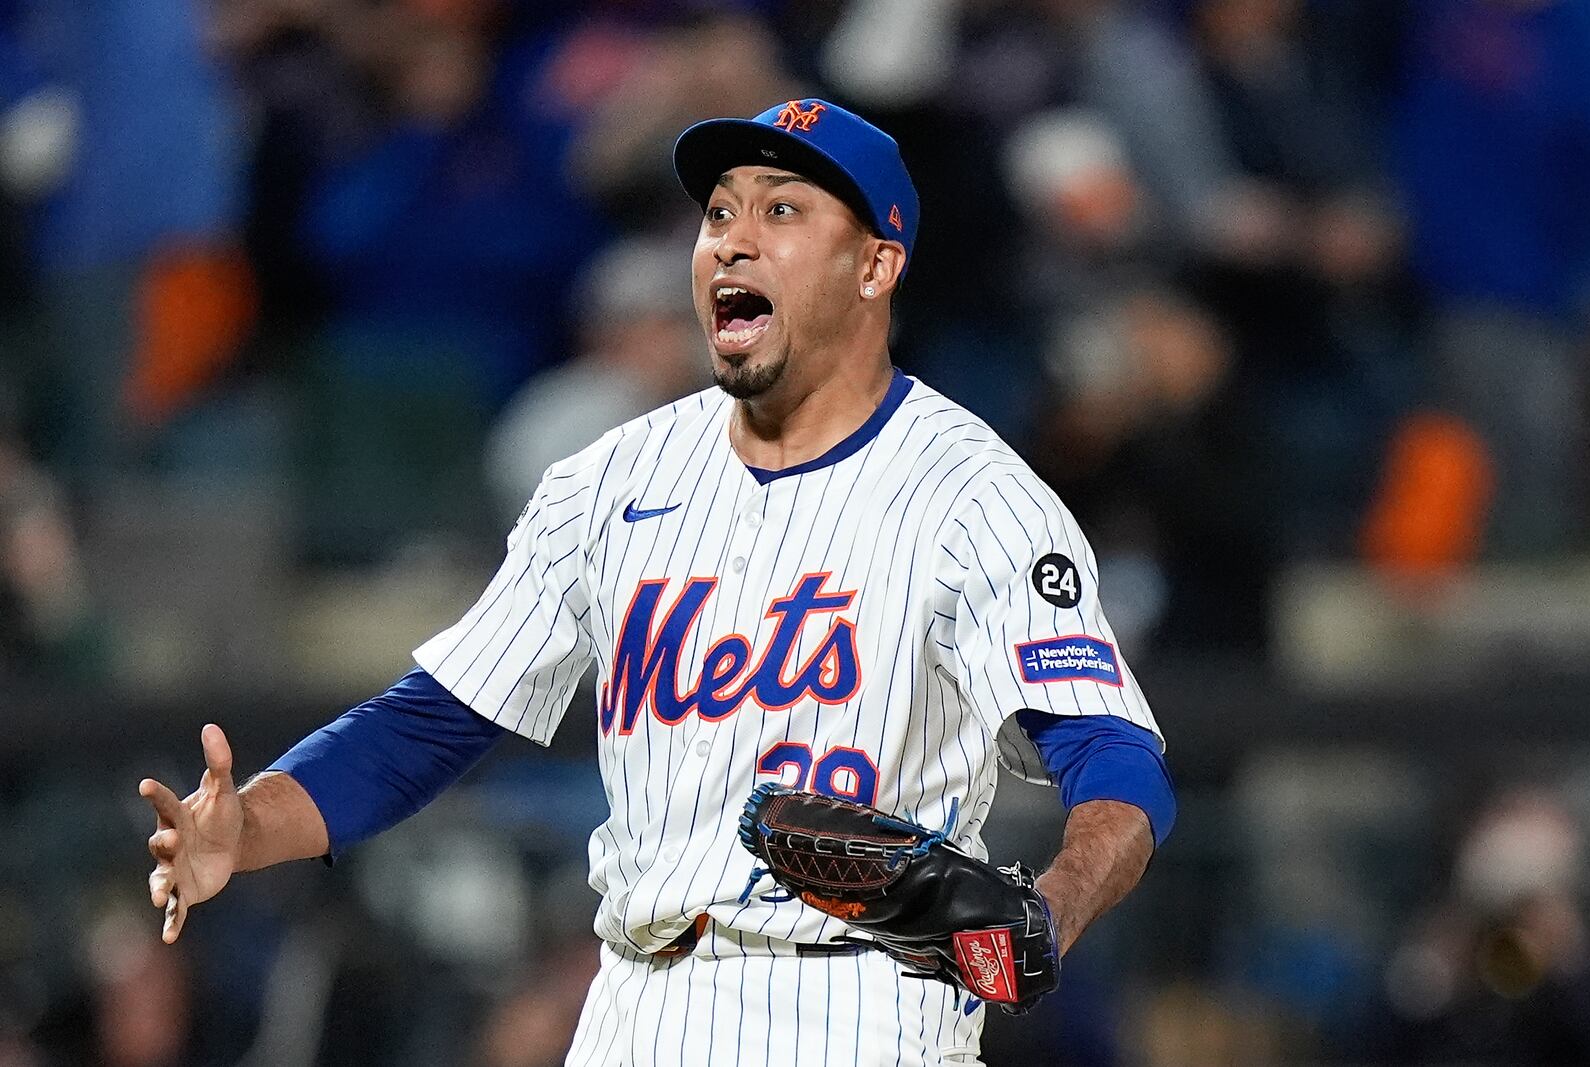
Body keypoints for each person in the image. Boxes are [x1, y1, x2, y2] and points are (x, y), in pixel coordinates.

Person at [138, 99, 1176, 1065]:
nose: (733, 235)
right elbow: (434, 721)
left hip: (855, 1008)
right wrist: (252, 825)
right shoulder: (608, 481)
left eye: (782, 209)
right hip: (637, 1000)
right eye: (718, 210)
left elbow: (1112, 755)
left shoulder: (974, 495)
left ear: (873, 266)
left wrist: (1048, 909)